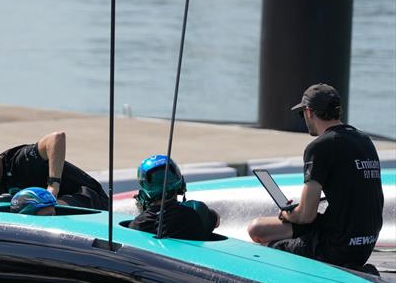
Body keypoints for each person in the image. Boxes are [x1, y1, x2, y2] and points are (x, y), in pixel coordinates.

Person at [247, 84, 383, 269]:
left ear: (309, 112)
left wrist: (289, 213)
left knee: (265, 245)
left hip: (335, 248)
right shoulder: (365, 141)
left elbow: (305, 216)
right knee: (257, 228)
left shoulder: (319, 147)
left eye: (302, 113)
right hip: (364, 246)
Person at [0, 132, 109, 210]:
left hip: (89, 197)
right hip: (50, 212)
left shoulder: (19, 160)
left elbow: (56, 138)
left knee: (42, 207)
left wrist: (53, 187)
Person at [129, 154, 219, 240]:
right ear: (178, 180)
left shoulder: (137, 224)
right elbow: (216, 220)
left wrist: (144, 211)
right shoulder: (196, 211)